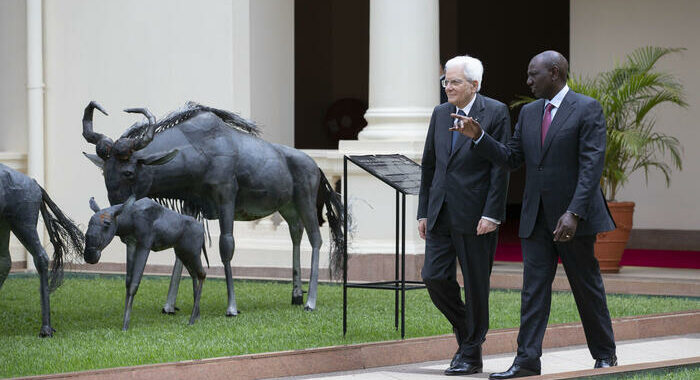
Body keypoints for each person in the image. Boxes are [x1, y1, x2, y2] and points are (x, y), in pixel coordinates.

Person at [451, 50, 617, 379]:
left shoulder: (587, 108)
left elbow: (590, 168)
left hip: (572, 220)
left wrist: (574, 213)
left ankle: (605, 355)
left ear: (554, 73)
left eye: (533, 74)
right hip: (535, 218)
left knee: (586, 287)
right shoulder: (528, 113)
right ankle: (527, 360)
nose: (528, 81)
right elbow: (512, 158)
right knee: (533, 291)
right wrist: (480, 137)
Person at [418, 55, 511, 376]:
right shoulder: (440, 113)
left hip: (477, 217)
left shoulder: (496, 112)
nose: (448, 87)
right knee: (433, 276)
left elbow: (501, 167)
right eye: (445, 81)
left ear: (475, 84)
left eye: (454, 81)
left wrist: (493, 214)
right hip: (440, 213)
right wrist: (423, 211)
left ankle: (470, 354)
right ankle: (470, 334)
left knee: (475, 286)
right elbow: (429, 164)